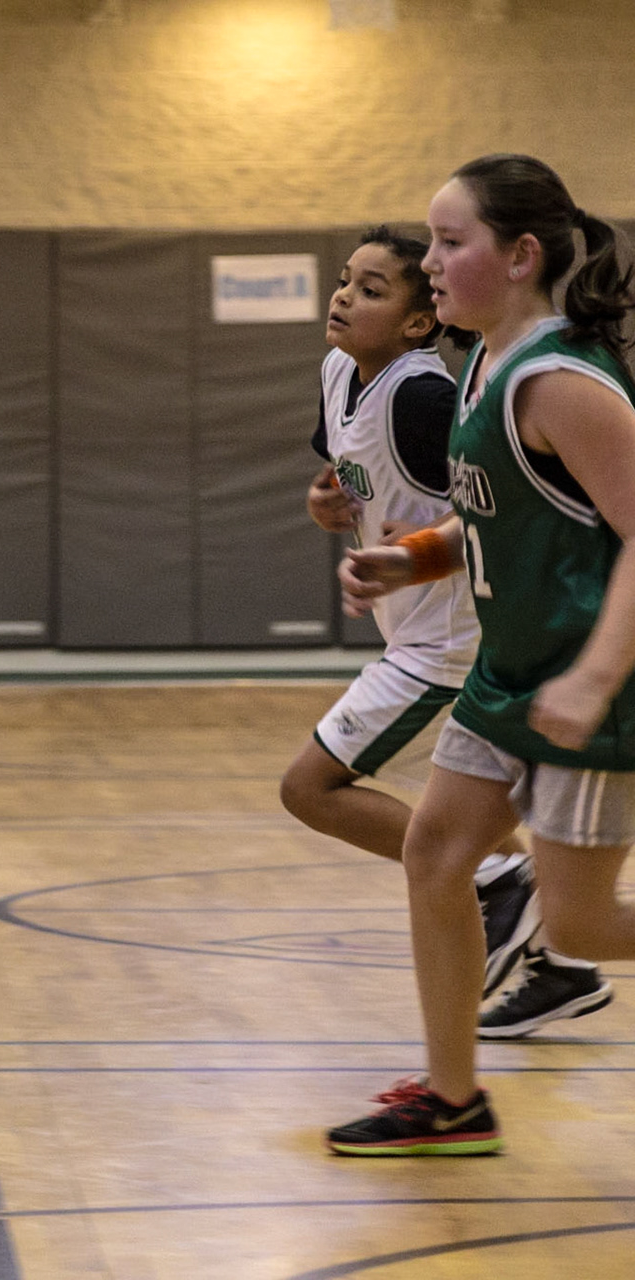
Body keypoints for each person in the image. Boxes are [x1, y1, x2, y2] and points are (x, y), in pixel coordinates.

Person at [328, 154, 635, 1156]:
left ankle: (459, 1089)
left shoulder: (560, 379)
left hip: (597, 684)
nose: (432, 260)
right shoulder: (482, 365)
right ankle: (454, 1097)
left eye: (450, 242)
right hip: (511, 671)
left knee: (583, 928)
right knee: (436, 851)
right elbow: (496, 517)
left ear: (520, 256)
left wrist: (594, 675)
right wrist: (409, 556)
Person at [281, 227, 608, 1040]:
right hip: (414, 628)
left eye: (371, 288)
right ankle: (561, 972)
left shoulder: (428, 396)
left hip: (451, 641)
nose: (344, 296)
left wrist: (413, 553)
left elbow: (496, 508)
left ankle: (500, 878)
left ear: (421, 322)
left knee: (309, 788)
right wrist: (329, 503)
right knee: (499, 845)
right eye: (344, 280)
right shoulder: (339, 371)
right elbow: (347, 475)